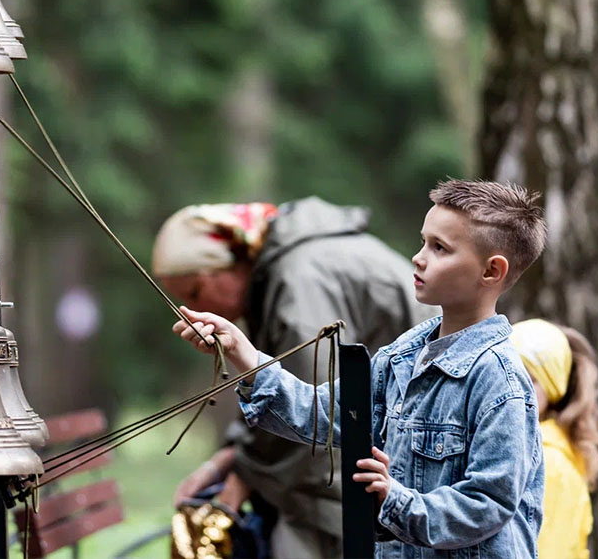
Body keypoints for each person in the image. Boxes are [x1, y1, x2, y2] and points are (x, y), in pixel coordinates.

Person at [172, 179, 548, 558]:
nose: (419, 257)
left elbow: (489, 503)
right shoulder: (401, 356)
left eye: (439, 248)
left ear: (491, 272)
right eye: (423, 242)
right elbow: (321, 415)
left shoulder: (499, 381)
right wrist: (243, 352)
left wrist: (396, 500)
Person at [153, 198, 436, 557]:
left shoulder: (298, 282)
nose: (200, 310)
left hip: (409, 464)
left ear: (233, 263)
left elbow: (312, 415)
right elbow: (281, 387)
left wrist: (241, 482)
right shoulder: (284, 270)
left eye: (196, 292)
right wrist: (225, 461)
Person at [510, 319, 598, 559]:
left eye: (529, 380)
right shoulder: (523, 450)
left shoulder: (549, 464)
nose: (511, 389)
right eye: (504, 374)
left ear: (552, 388)